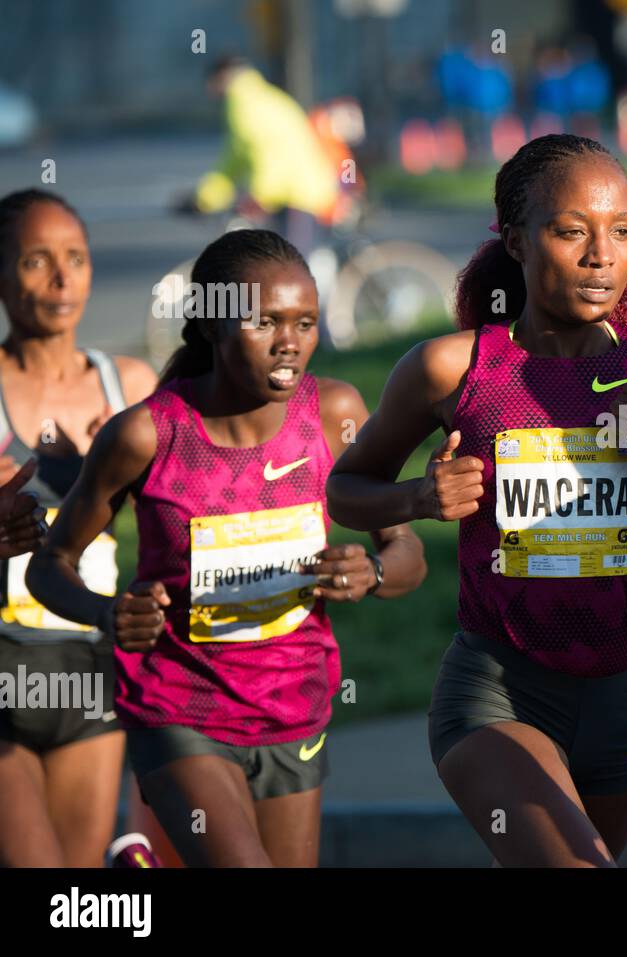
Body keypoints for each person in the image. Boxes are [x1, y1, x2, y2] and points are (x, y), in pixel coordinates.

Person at [327, 133, 627, 867]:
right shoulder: (451, 367)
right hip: (498, 692)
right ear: (516, 239)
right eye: (572, 232)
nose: (602, 255)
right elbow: (347, 487)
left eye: (622, 232)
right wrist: (418, 497)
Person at [27, 229, 426, 867]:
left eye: (305, 322)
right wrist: (109, 613)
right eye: (264, 321)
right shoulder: (145, 435)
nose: (289, 341)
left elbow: (408, 555)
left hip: (295, 706)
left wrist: (373, 571)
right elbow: (52, 566)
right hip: (177, 706)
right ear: (212, 326)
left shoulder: (334, 412)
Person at [0, 188, 156, 867]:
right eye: (37, 260)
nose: (63, 281)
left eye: (77, 259)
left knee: (79, 895)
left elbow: (187, 515)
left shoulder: (128, 386)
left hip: (91, 663)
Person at [183, 57, 342, 255]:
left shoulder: (246, 105)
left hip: (298, 194)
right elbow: (235, 159)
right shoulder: (256, 98)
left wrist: (259, 196)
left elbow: (267, 155)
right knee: (276, 265)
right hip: (287, 192)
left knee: (289, 269)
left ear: (222, 77)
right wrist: (206, 197)